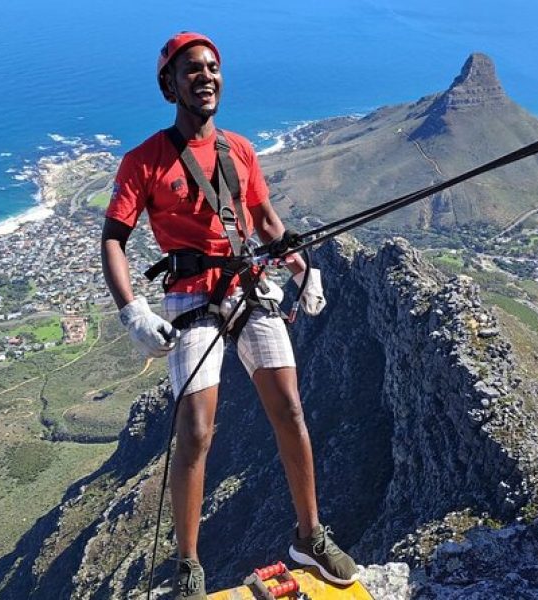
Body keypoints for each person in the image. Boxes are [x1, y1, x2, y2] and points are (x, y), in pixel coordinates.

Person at [100, 32, 359, 599]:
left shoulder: (239, 150)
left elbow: (266, 222)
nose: (207, 77)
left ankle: (309, 535)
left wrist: (299, 269)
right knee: (195, 431)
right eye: (192, 69)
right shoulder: (144, 161)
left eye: (213, 68)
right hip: (191, 298)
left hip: (247, 286)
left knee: (289, 408)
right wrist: (131, 313)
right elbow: (113, 241)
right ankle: (188, 565)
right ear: (170, 84)